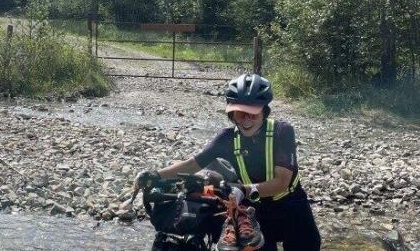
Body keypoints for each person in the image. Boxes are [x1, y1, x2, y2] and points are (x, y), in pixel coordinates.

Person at [135, 73, 321, 251]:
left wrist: (243, 190)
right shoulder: (226, 138)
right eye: (240, 114)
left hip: (292, 205)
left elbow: (281, 183)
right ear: (231, 114)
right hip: (255, 210)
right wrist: (155, 175)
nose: (247, 120)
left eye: (253, 114)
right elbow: (193, 164)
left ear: (265, 111)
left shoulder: (282, 132)